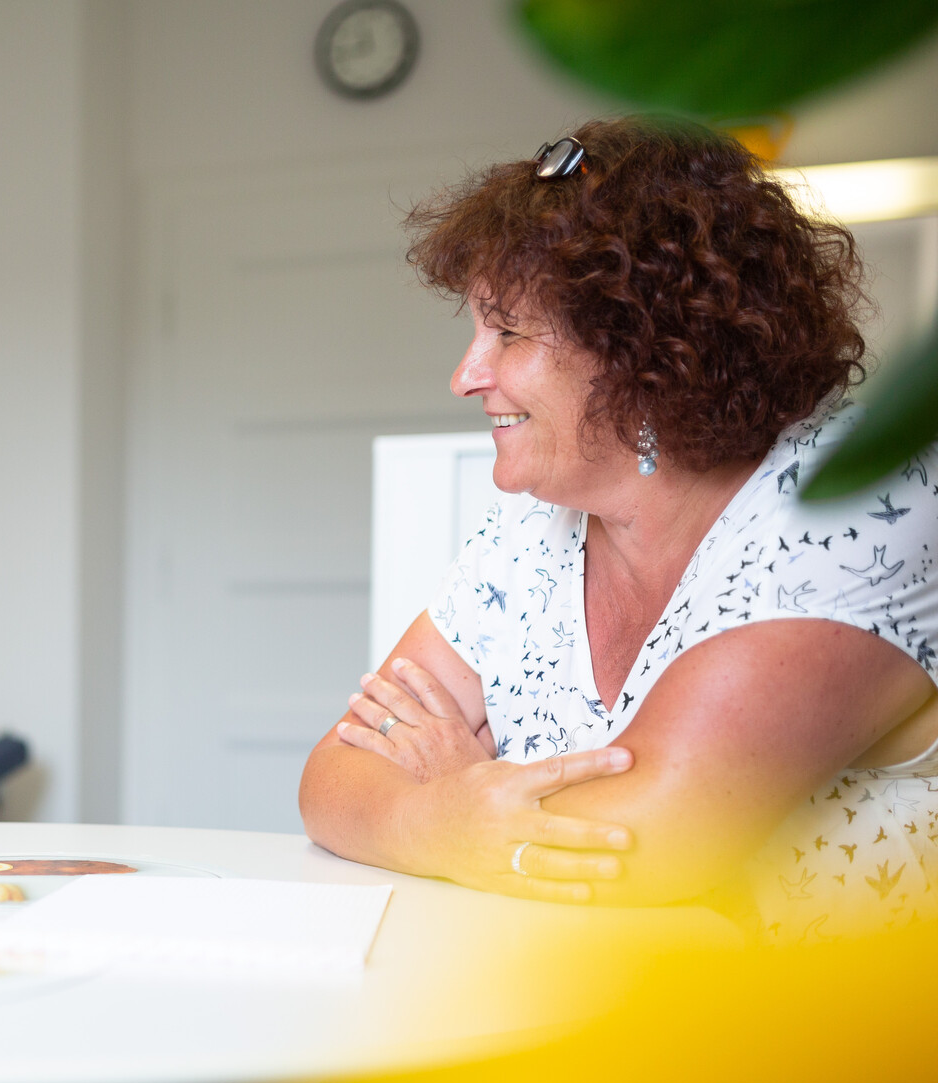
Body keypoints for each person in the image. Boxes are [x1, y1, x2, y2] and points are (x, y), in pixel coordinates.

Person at [298, 118, 938, 944]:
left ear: (646, 348)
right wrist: (443, 819)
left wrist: (461, 792)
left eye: (509, 331)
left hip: (835, 1023)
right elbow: (335, 775)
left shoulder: (858, 495)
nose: (465, 376)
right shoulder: (537, 519)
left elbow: (641, 845)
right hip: (581, 1005)